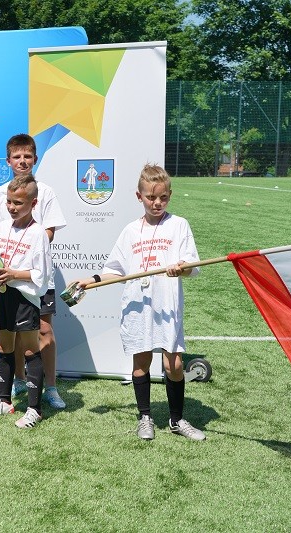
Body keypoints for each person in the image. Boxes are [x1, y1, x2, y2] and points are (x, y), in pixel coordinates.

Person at [75, 164, 205, 441]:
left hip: (167, 305)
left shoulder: (179, 225)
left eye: (163, 197)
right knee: (141, 362)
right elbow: (115, 270)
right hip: (138, 305)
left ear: (170, 195)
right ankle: (145, 417)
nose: (157, 203)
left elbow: (192, 266)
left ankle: (177, 420)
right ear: (139, 196)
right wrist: (91, 280)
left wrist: (181, 268)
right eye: (150, 197)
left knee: (174, 365)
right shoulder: (131, 231)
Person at [0, 134, 67, 409]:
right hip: (7, 278)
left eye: (27, 156)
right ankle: (20, 380)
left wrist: (25, 255)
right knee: (13, 332)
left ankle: (51, 387)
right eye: (17, 157)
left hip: (35, 276)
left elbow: (49, 232)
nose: (22, 161)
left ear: (35, 159)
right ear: (8, 161)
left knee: (43, 330)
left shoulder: (45, 192)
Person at [0, 175, 51, 428]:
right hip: (2, 293)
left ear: (33, 203)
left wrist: (14, 274)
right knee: (3, 346)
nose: (12, 207)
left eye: (18, 203)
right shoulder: (2, 227)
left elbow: (41, 275)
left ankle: (34, 409)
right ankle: (4, 401)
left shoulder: (38, 233)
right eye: (9, 202)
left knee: (30, 349)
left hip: (25, 297)